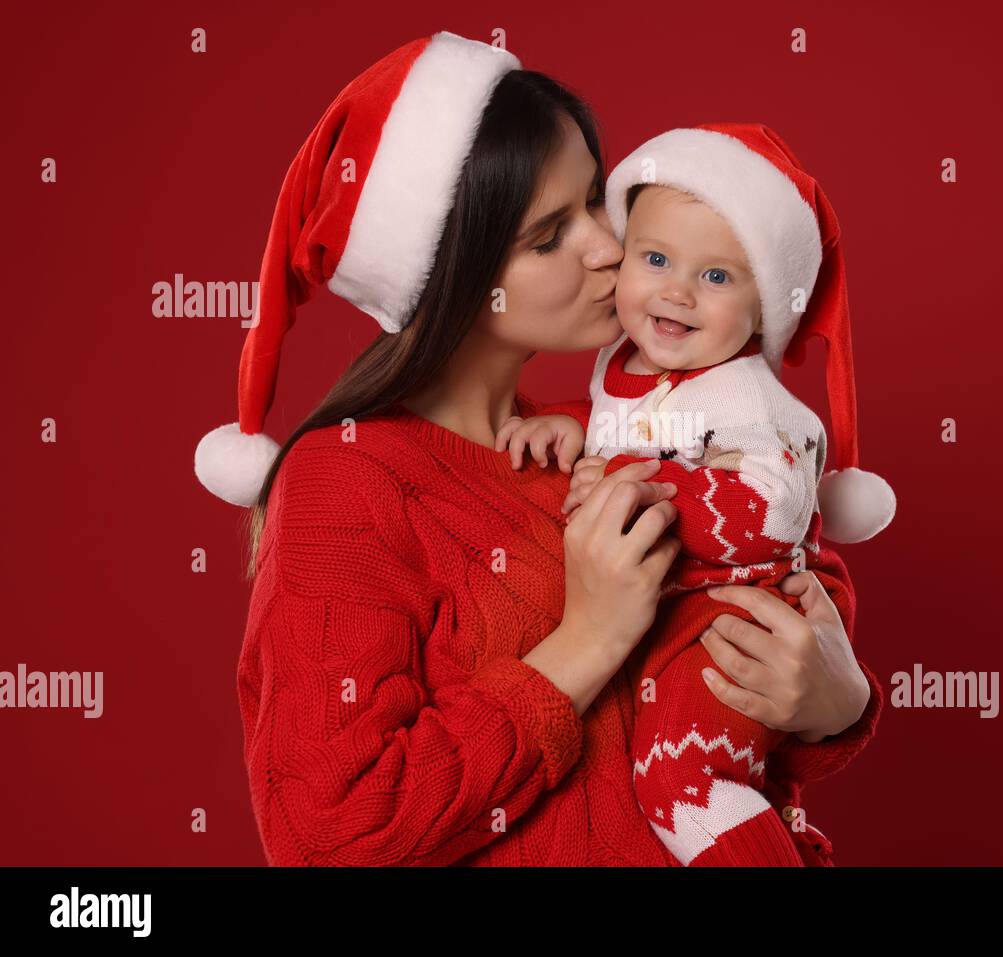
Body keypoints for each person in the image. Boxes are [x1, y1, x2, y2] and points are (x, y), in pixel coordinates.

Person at [193, 31, 882, 866]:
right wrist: (585, 643)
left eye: (597, 199)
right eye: (549, 235)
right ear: (457, 271)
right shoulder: (346, 483)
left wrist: (835, 701)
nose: (606, 246)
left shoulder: (595, 432)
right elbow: (330, 831)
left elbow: (767, 604)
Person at [491, 123, 896, 865]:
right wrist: (573, 427)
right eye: (654, 258)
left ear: (763, 308)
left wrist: (632, 485)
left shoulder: (747, 394)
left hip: (733, 618)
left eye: (716, 277)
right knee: (709, 783)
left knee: (684, 777)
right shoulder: (630, 361)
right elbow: (639, 427)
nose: (676, 290)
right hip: (675, 626)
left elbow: (771, 507)